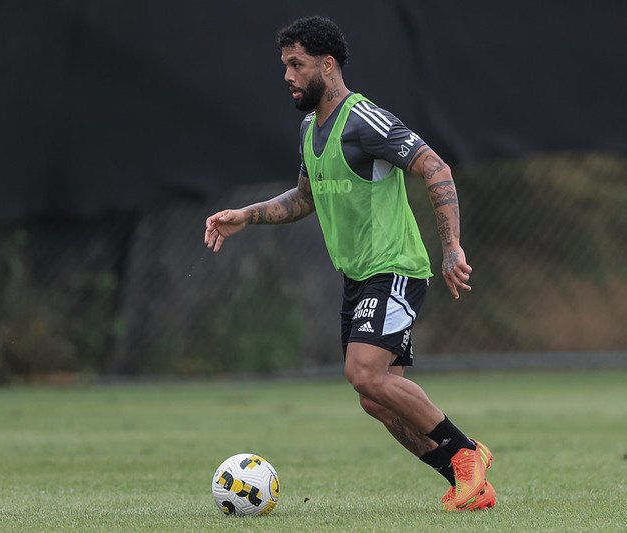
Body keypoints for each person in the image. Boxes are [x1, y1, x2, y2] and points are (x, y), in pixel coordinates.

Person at [204, 15, 495, 512]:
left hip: (395, 267)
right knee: (375, 396)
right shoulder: (309, 128)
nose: (287, 76)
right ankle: (466, 482)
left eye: (296, 65)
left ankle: (467, 453)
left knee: (363, 372)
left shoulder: (364, 121)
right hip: (358, 276)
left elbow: (435, 167)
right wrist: (247, 216)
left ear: (327, 64)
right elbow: (304, 198)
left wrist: (452, 248)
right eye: (284, 66)